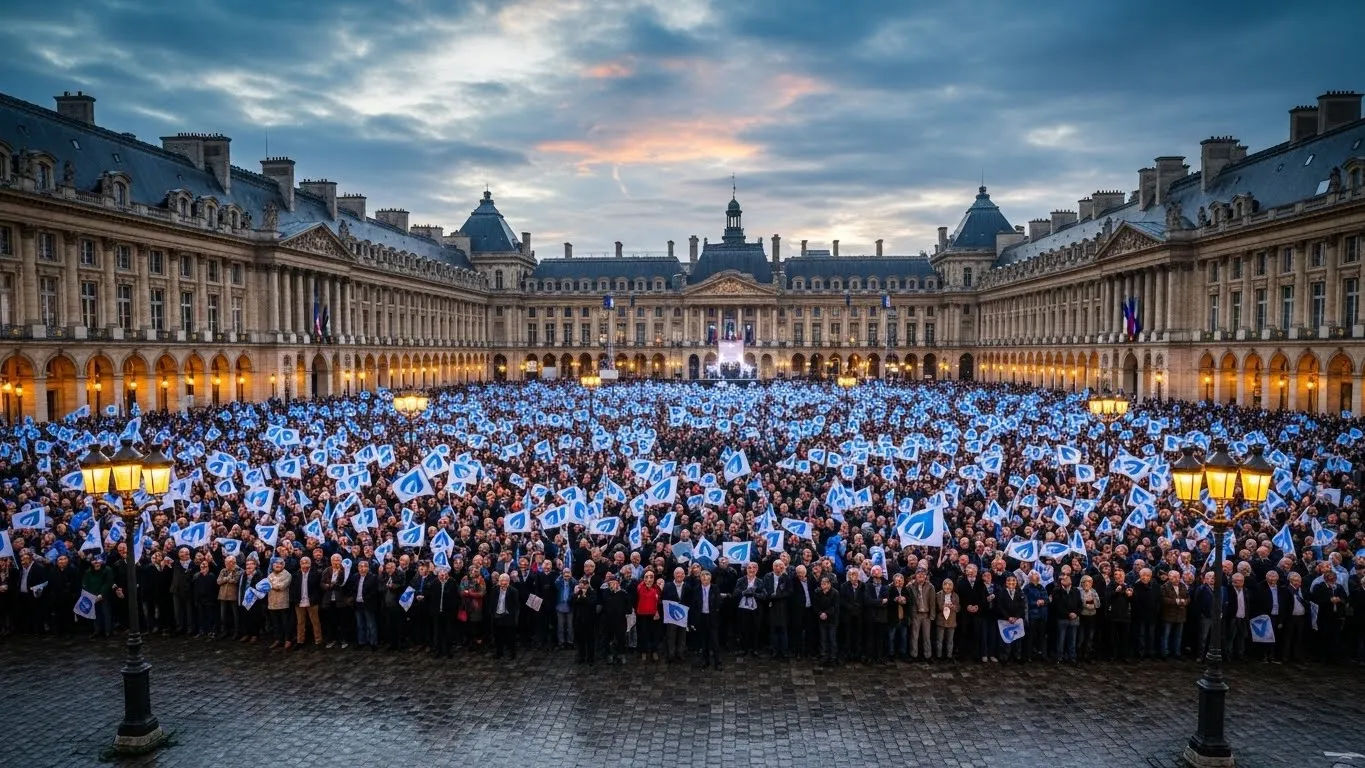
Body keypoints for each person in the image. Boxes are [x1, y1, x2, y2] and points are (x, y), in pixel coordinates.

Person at [1310, 569, 1348, 663]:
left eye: (1334, 579)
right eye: (1330, 579)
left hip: (1336, 616)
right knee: (1323, 636)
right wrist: (1329, 600)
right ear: (1325, 579)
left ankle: (1333, 657)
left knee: (1335, 637)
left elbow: (1345, 599)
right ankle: (1322, 657)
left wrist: (1340, 600)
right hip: (1323, 616)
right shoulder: (1319, 587)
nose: (1332, 581)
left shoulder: (1339, 587)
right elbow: (1315, 599)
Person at [690, 569, 722, 670]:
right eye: (702, 575)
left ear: (710, 577)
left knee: (715, 641)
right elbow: (694, 605)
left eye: (707, 575)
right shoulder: (696, 589)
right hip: (701, 618)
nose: (704, 577)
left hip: (712, 617)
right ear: (700, 578)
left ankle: (718, 662)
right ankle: (706, 661)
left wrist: (716, 612)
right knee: (704, 642)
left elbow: (718, 602)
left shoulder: (715, 588)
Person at [292, 556, 324, 649]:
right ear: (300, 564)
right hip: (299, 602)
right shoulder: (296, 575)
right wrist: (295, 600)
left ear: (310, 564)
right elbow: (293, 589)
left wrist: (315, 599)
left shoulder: (316, 574)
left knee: (315, 622)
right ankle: (300, 641)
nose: (305, 564)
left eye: (307, 562)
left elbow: (318, 589)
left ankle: (318, 641)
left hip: (312, 602)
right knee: (300, 622)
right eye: (303, 562)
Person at [663, 566, 692, 662]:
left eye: (682, 574)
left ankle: (680, 653)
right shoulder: (668, 586)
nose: (679, 575)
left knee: (682, 635)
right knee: (671, 635)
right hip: (671, 615)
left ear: (684, 575)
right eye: (677, 573)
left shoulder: (688, 586)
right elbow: (664, 599)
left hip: (683, 615)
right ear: (674, 575)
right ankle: (671, 654)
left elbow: (689, 601)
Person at [350, 560, 380, 650]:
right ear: (358, 568)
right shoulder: (355, 577)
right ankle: (361, 642)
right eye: (360, 567)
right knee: (360, 624)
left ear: (368, 568)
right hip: (357, 604)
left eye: (365, 566)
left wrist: (365, 598)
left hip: (368, 604)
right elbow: (352, 589)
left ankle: (373, 643)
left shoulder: (373, 577)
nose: (363, 569)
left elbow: (374, 592)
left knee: (371, 625)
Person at [82, 555, 115, 638]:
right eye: (94, 560)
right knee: (96, 614)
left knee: (106, 613)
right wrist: (90, 595)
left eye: (98, 560)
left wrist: (101, 594)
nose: (96, 562)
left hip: (104, 596)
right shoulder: (88, 572)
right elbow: (85, 584)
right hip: (93, 596)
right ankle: (97, 630)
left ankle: (108, 631)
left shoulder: (107, 570)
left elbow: (108, 583)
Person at [1051, 573, 1081, 663]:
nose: (1065, 579)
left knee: (1072, 640)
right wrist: (1068, 614)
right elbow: (1057, 606)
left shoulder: (1076, 591)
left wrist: (1076, 613)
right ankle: (1059, 657)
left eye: (1067, 578)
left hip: (1074, 619)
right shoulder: (1057, 590)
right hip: (1062, 619)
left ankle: (1072, 657)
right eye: (1063, 579)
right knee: (1061, 640)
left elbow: (1080, 604)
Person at [1159, 569, 1188, 661]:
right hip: (1168, 615)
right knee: (1166, 635)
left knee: (1178, 636)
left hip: (1180, 615)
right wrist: (1176, 601)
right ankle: (1165, 653)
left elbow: (1188, 597)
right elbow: (1163, 599)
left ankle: (1177, 652)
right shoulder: (1164, 587)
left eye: (1178, 577)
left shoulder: (1183, 586)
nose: (1177, 579)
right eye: (1174, 577)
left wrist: (1185, 602)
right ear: (1169, 577)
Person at [735, 561, 763, 657]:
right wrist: (744, 592)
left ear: (757, 569)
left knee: (756, 629)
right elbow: (735, 593)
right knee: (744, 629)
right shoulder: (740, 580)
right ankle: (744, 649)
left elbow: (764, 595)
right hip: (743, 608)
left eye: (754, 567)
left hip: (755, 609)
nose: (751, 569)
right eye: (749, 568)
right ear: (746, 569)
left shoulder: (760, 581)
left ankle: (755, 649)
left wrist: (754, 594)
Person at [429, 567, 458, 659]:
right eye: (441, 574)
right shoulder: (434, 582)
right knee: (437, 633)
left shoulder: (452, 582)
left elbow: (455, 597)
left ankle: (448, 651)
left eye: (444, 574)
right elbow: (430, 596)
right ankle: (438, 651)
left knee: (448, 632)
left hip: (448, 612)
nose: (443, 576)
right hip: (437, 612)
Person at [996, 574, 1025, 663]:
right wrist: (1008, 617)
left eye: (1013, 580)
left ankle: (1017, 656)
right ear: (1006, 582)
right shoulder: (1001, 592)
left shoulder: (1020, 592)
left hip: (1017, 620)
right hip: (1005, 620)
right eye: (1009, 580)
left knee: (1017, 639)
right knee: (1005, 640)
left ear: (1016, 582)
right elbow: (1000, 606)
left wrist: (1016, 617)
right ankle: (1005, 657)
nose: (1011, 582)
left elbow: (1022, 606)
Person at [490, 572, 519, 660]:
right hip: (497, 616)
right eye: (501, 580)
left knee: (510, 637)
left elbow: (516, 605)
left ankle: (512, 654)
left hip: (508, 617)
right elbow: (491, 603)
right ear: (499, 581)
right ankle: (499, 653)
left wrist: (513, 616)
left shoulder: (514, 591)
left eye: (505, 580)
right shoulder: (494, 589)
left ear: (509, 582)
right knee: (498, 636)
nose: (503, 582)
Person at [837, 566, 863, 664]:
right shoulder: (844, 586)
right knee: (847, 636)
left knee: (858, 636)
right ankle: (847, 655)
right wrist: (851, 607)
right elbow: (842, 600)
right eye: (852, 575)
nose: (854, 577)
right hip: (847, 615)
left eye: (856, 575)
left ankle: (857, 655)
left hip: (859, 615)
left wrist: (858, 607)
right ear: (849, 576)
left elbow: (863, 599)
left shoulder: (863, 586)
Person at [265, 558, 293, 649]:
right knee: (276, 624)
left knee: (285, 623)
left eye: (280, 564)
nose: (278, 566)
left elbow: (281, 586)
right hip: (272, 603)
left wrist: (271, 584)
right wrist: (272, 585)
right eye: (275, 564)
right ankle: (278, 639)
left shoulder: (287, 574)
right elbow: (265, 586)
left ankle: (288, 640)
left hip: (283, 603)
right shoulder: (270, 575)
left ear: (283, 565)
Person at [635, 570, 661, 661]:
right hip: (642, 615)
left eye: (651, 576)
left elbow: (659, 601)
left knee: (655, 634)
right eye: (646, 576)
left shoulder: (657, 588)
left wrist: (657, 611)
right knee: (643, 634)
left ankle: (654, 651)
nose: (649, 579)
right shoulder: (640, 587)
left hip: (654, 614)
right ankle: (644, 651)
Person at [1023, 571, 1049, 662]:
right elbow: (1025, 602)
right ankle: (1029, 655)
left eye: (1037, 577)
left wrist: (1043, 601)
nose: (1036, 579)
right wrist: (1036, 603)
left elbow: (1047, 599)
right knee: (1031, 636)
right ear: (1030, 579)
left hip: (1042, 615)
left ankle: (1042, 654)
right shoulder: (1026, 588)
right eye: (1034, 578)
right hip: (1032, 615)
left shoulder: (1042, 587)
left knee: (1042, 636)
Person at [571, 577, 597, 665]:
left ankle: (590, 658)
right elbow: (573, 601)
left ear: (587, 584)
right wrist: (577, 595)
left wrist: (583, 597)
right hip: (579, 620)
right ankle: (581, 657)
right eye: (581, 584)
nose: (582, 586)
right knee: (580, 640)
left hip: (589, 621)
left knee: (590, 640)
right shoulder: (578, 592)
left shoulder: (592, 592)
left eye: (584, 584)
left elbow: (591, 603)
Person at [216, 555, 243, 640]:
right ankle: (224, 631)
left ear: (233, 562)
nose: (226, 564)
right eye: (225, 562)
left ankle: (237, 632)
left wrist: (226, 579)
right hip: (223, 596)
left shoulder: (239, 570)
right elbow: (218, 581)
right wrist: (227, 578)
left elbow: (235, 580)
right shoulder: (223, 570)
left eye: (227, 563)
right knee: (223, 615)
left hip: (233, 596)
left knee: (236, 615)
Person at [934, 578, 959, 661]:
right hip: (941, 621)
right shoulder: (938, 595)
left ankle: (949, 656)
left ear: (952, 587)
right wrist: (943, 606)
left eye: (949, 587)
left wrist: (954, 607)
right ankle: (938, 656)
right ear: (943, 586)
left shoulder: (955, 595)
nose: (948, 589)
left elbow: (958, 608)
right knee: (939, 640)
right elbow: (936, 608)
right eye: (946, 587)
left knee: (950, 641)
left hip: (951, 621)